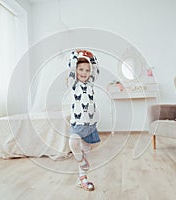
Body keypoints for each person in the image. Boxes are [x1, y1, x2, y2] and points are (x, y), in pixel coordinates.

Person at [67, 49, 100, 191]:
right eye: (81, 69)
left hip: (90, 124)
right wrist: (75, 53)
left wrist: (92, 58)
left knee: (86, 149)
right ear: (76, 70)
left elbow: (96, 71)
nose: (84, 72)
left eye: (87, 70)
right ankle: (81, 161)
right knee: (73, 143)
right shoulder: (73, 84)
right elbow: (71, 66)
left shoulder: (91, 83)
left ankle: (82, 179)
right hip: (78, 122)